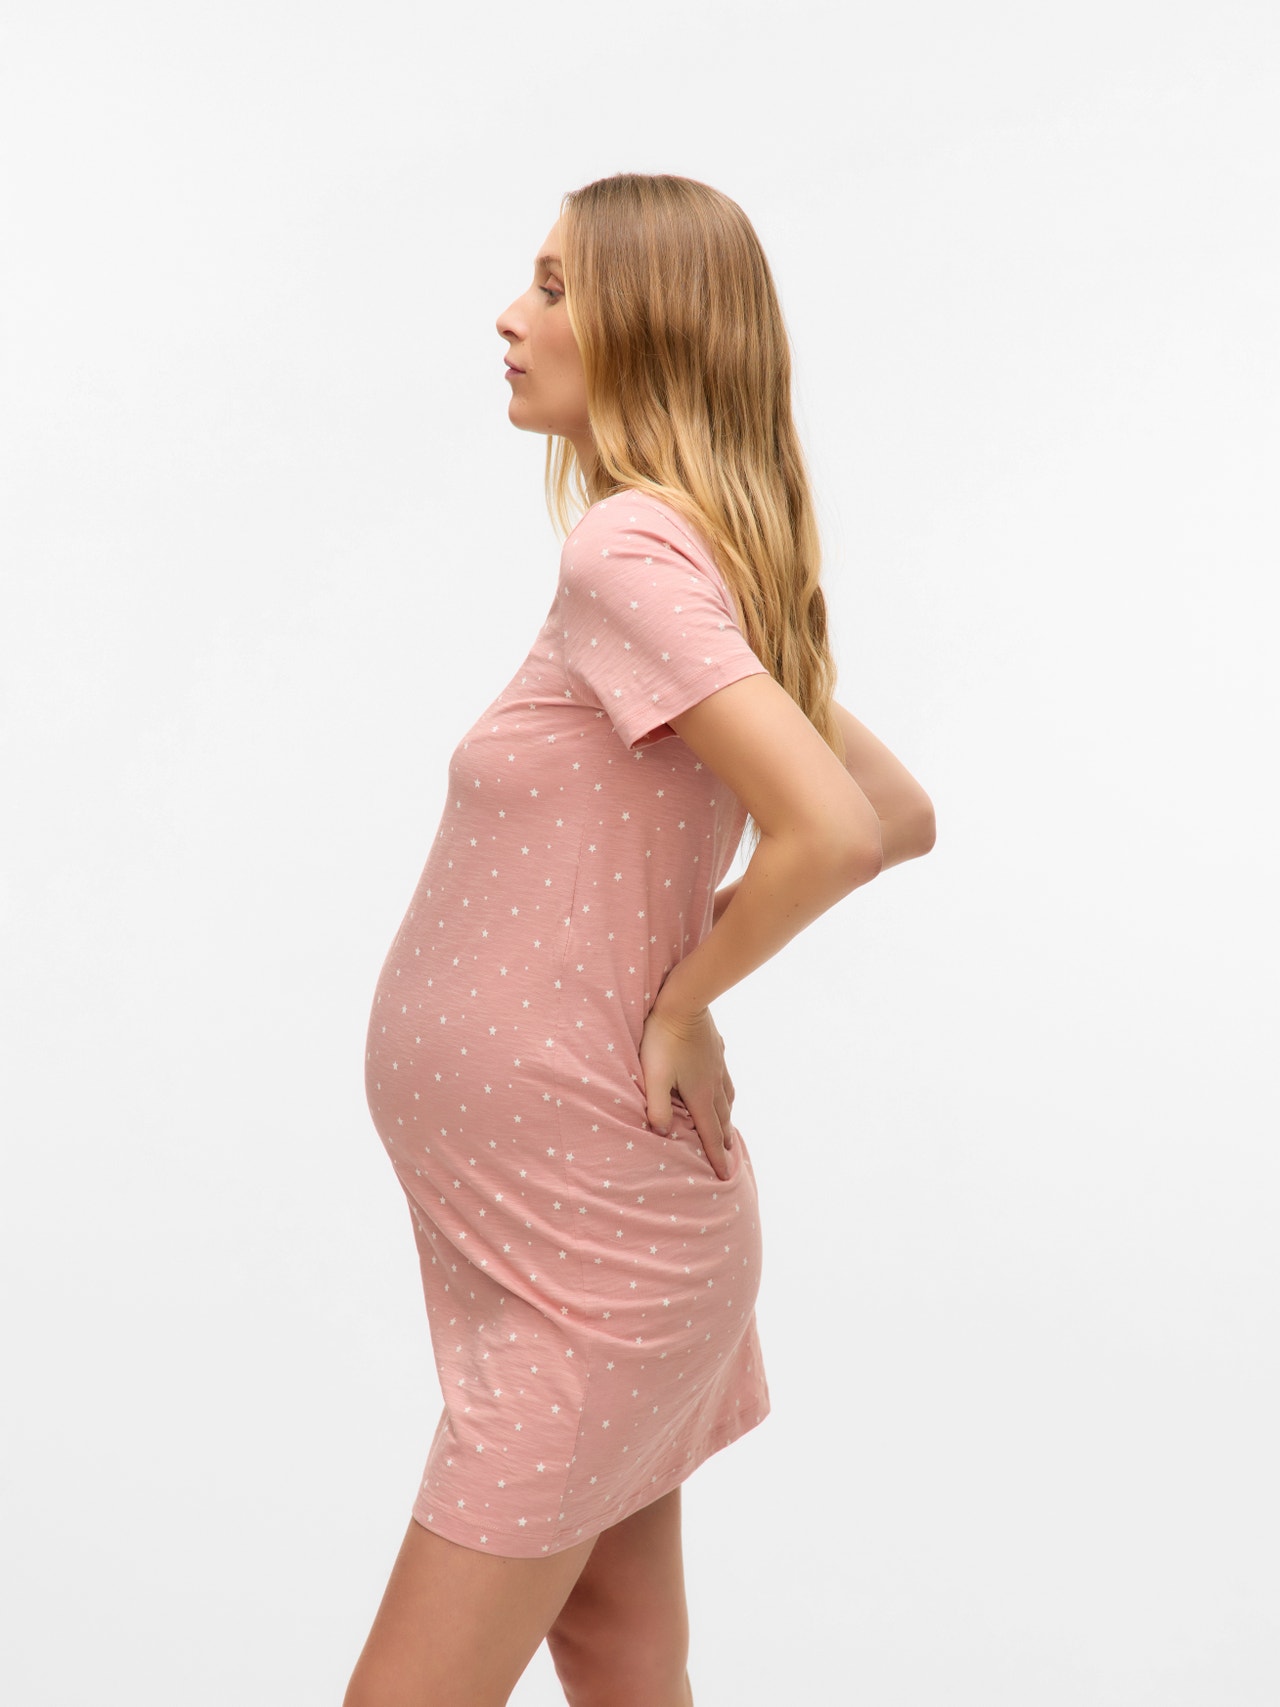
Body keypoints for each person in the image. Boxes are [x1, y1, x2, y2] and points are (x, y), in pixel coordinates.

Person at [343, 172, 936, 1707]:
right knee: (617, 1654)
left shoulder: (624, 554)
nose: (510, 316)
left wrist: (683, 998)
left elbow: (847, 826)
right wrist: (687, 971)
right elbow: (891, 809)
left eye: (554, 287)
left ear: (653, 329)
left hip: (591, 1243)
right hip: (556, 1225)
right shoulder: (689, 566)